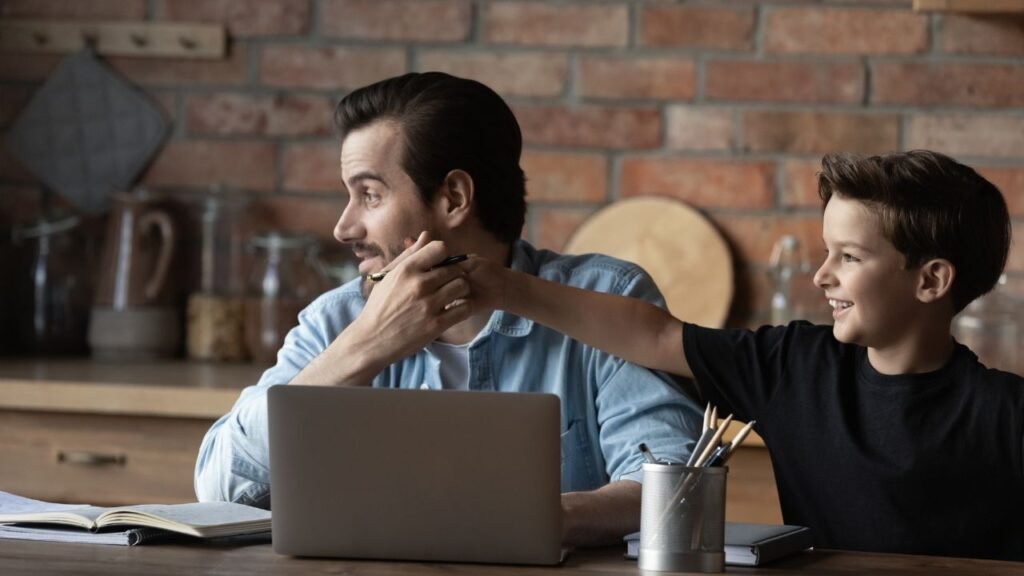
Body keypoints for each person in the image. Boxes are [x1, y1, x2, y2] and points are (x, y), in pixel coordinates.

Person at [193, 72, 703, 547]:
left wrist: (535, 518)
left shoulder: (605, 300)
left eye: (369, 195)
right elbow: (220, 492)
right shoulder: (336, 320)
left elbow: (673, 486)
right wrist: (362, 348)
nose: (343, 228)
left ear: (454, 198)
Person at [461, 150, 1024, 561]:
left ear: (931, 281)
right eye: (827, 252)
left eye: (849, 257)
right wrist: (505, 288)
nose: (821, 274)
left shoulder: (1006, 414)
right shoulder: (793, 365)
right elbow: (654, 335)